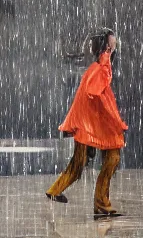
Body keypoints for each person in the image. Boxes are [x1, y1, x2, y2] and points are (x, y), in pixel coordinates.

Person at [46, 29, 127, 217]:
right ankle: (100, 204)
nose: (115, 43)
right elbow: (94, 91)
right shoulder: (101, 67)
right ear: (106, 45)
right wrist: (114, 119)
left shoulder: (99, 66)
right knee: (102, 160)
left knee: (83, 162)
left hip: (94, 126)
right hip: (95, 126)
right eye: (112, 41)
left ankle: (58, 191)